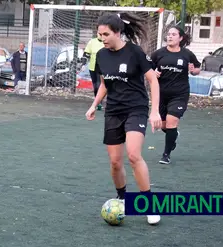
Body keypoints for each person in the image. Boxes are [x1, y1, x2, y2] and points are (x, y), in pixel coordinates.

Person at [85, 13, 162, 225]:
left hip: (135, 109)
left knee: (134, 155)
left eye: (106, 34)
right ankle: (122, 199)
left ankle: (149, 205)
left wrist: (155, 111)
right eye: (99, 35)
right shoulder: (101, 55)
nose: (102, 38)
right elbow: (104, 84)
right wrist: (94, 105)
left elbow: (153, 82)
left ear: (118, 32)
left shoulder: (135, 52)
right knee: (115, 163)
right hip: (113, 111)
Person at [150, 26, 201, 164]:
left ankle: (166, 155)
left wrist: (193, 70)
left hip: (179, 95)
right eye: (169, 34)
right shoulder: (158, 53)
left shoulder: (187, 54)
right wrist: (153, 73)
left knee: (172, 121)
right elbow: (146, 68)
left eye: (173, 34)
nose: (170, 37)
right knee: (163, 125)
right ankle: (173, 135)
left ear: (180, 38)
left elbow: (197, 68)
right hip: (160, 95)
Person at [81, 33, 104, 110]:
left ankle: (99, 102)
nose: (101, 35)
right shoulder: (92, 42)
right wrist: (83, 64)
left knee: (99, 84)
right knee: (95, 86)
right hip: (93, 67)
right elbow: (86, 53)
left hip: (103, 68)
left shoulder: (107, 42)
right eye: (99, 33)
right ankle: (98, 102)